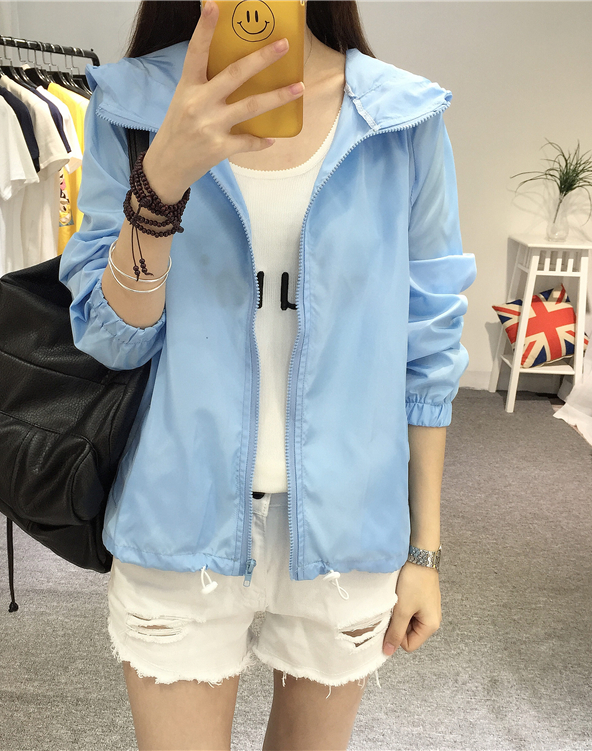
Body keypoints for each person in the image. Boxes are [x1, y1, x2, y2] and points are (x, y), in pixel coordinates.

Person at [59, 1, 476, 748]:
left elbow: (428, 355)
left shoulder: (399, 119)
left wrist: (424, 552)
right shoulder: (132, 106)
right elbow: (110, 341)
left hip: (348, 530)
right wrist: (161, 182)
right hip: (177, 519)